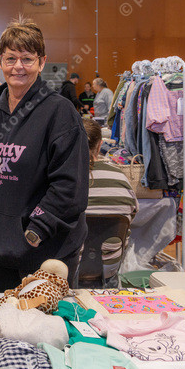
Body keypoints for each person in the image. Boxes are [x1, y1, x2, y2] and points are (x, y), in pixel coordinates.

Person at [0, 18, 89, 291]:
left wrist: (36, 230)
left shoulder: (60, 113)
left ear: (42, 62)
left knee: (47, 318)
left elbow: (71, 186)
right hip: (1, 251)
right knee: (5, 316)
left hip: (45, 251)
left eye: (27, 59)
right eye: (11, 58)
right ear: (0, 61)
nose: (18, 66)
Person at [83, 118, 138, 287]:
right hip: (108, 269)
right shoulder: (120, 178)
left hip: (67, 267)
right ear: (100, 145)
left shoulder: (61, 178)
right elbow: (130, 217)